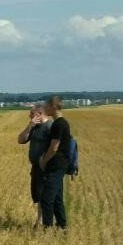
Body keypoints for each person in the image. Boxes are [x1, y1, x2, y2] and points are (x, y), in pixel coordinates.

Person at [37, 95, 71, 230]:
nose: (45, 109)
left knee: (47, 197)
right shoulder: (61, 123)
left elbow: (54, 146)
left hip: (57, 165)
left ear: (53, 107)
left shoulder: (59, 124)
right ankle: (62, 226)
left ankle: (47, 228)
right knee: (57, 197)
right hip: (59, 164)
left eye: (46, 106)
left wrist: (44, 161)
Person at [17, 102, 52, 227]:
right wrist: (29, 126)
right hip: (36, 167)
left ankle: (42, 221)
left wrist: (45, 160)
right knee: (38, 195)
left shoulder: (50, 126)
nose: (29, 116)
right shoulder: (34, 127)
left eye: (31, 114)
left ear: (40, 114)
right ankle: (41, 220)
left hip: (47, 167)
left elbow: (56, 146)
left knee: (45, 195)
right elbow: (20, 140)